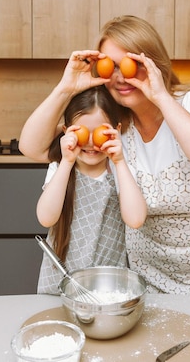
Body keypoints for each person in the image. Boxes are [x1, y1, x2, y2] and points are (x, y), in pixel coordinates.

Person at [21, 15, 190, 296]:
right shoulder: (115, 126)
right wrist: (66, 87)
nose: (121, 77)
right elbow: (31, 147)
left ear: (153, 64)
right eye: (111, 66)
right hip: (151, 277)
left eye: (131, 65)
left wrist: (161, 96)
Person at [35, 85, 146, 295]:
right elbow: (45, 218)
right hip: (62, 279)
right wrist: (67, 162)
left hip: (108, 282)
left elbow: (136, 219)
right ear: (67, 132)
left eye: (101, 133)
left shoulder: (121, 170)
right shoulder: (61, 169)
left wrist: (120, 162)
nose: (92, 142)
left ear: (116, 130)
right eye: (82, 133)